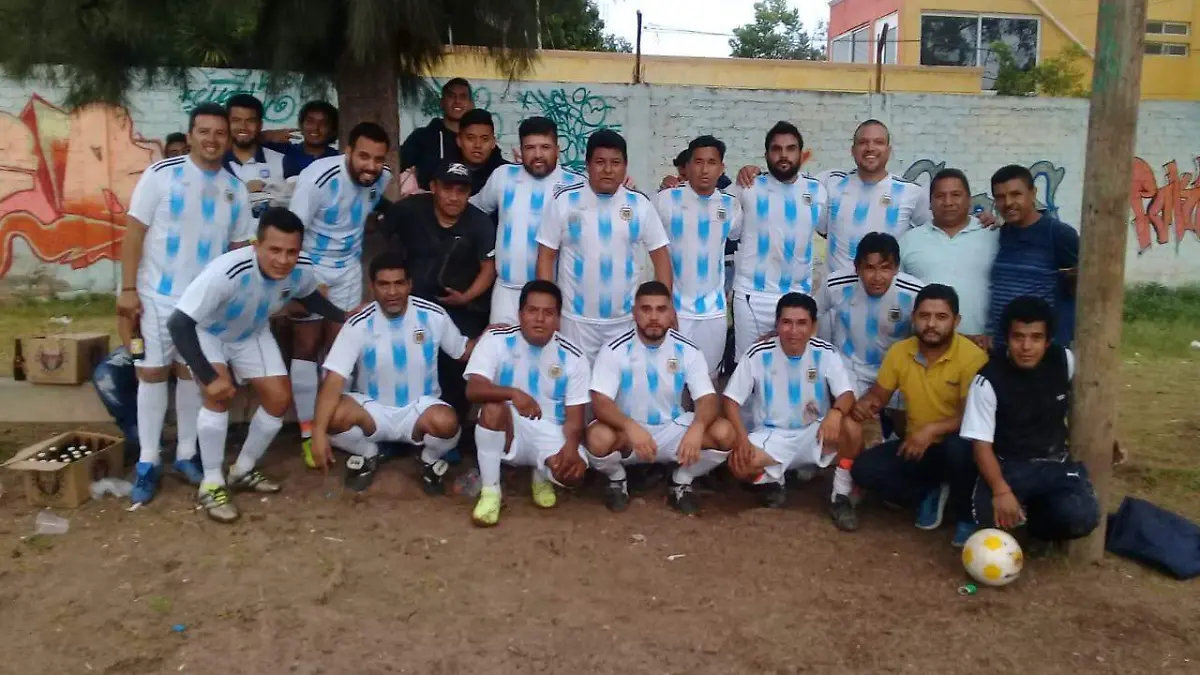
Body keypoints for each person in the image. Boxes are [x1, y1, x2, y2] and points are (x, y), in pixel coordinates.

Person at [166, 208, 348, 522]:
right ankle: (212, 482)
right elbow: (178, 324)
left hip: (251, 333)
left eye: (291, 251)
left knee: (279, 399)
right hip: (208, 333)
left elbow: (309, 297)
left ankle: (242, 469)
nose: (283, 260)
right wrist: (209, 377)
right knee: (218, 395)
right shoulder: (226, 272)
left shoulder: (302, 269)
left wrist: (343, 316)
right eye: (274, 250)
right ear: (256, 244)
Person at [118, 102, 255, 505]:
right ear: (191, 134)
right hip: (156, 295)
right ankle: (147, 461)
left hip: (203, 306)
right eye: (204, 131)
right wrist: (129, 290)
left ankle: (185, 454)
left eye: (220, 133)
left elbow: (237, 251)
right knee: (151, 374)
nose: (212, 139)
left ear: (227, 139)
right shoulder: (162, 175)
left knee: (191, 375)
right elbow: (134, 232)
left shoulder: (235, 189)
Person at [308, 252, 477, 493]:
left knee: (447, 423)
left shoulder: (433, 315)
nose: (392, 292)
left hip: (419, 409)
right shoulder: (358, 323)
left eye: (399, 283)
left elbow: (462, 351)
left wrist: (493, 337)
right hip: (372, 411)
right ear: (372, 286)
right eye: (384, 284)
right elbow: (334, 378)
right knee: (332, 416)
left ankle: (428, 460)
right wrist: (317, 432)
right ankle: (369, 453)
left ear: (410, 284)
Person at [847, 284, 988, 545]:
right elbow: (879, 395)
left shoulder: (973, 358)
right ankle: (932, 490)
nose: (931, 324)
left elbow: (972, 417)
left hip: (957, 443)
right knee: (864, 470)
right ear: (913, 318)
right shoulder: (900, 351)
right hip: (916, 446)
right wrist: (866, 404)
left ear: (956, 321)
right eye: (924, 316)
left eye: (941, 317)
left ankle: (966, 516)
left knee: (959, 449)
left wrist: (931, 430)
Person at [288, 122, 393, 467]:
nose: (371, 166)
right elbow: (292, 232)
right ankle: (307, 433)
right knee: (306, 347)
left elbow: (365, 216)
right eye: (363, 156)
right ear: (348, 151)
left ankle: (334, 425)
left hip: (347, 270)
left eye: (378, 159)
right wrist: (302, 279)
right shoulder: (317, 178)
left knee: (339, 352)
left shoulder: (382, 179)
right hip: (310, 268)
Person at [708, 293, 857, 528]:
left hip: (814, 432)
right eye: (787, 322)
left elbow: (847, 394)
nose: (793, 331)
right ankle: (774, 483)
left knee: (852, 430)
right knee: (739, 464)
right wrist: (742, 439)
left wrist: (836, 413)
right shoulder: (758, 353)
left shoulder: (826, 352)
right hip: (772, 435)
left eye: (802, 323)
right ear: (777, 324)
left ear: (813, 326)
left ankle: (840, 496)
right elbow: (730, 400)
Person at [961, 296, 1099, 547]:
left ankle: (1036, 527)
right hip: (1008, 466)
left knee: (1082, 517)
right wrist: (1001, 490)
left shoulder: (1064, 361)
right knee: (988, 523)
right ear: (1007, 339)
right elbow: (981, 446)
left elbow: (1087, 404)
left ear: (1047, 341)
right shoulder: (987, 380)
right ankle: (1010, 507)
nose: (1026, 347)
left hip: (1053, 463)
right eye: (1018, 337)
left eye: (1036, 338)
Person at [585, 282, 728, 515]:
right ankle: (617, 478)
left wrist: (698, 427)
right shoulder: (614, 350)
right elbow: (601, 402)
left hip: (672, 429)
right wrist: (630, 426)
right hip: (628, 435)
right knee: (597, 437)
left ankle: (681, 480)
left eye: (661, 309)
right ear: (634, 313)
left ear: (671, 313)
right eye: (646, 309)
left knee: (725, 433)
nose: (653, 317)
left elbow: (708, 398)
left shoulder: (688, 350)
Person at [536, 129, 672, 360]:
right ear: (588, 165)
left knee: (621, 382)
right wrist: (549, 309)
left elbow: (661, 259)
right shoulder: (564, 201)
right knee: (574, 381)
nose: (608, 170)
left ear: (625, 166)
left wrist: (663, 308)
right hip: (574, 321)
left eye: (615, 163)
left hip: (625, 322)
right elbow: (546, 257)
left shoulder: (639, 204)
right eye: (600, 162)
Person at [464, 280, 590, 527]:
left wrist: (570, 449)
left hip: (550, 431)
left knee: (572, 475)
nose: (540, 319)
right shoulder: (496, 340)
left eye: (548, 313)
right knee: (492, 407)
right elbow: (473, 389)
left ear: (558, 318)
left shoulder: (574, 356)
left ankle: (541, 475)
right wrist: (512, 393)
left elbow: (575, 419)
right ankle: (491, 493)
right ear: (520, 314)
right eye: (533, 311)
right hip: (510, 427)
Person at [382, 160, 497, 432]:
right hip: (414, 304)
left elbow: (489, 268)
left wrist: (466, 297)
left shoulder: (479, 222)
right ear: (433, 187)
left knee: (455, 369)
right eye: (447, 188)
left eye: (461, 190)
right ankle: (400, 427)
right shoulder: (408, 210)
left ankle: (451, 431)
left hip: (460, 306)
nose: (454, 197)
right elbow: (381, 241)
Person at [470, 116, 585, 325]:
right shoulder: (503, 176)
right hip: (507, 292)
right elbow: (474, 209)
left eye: (545, 147)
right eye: (530, 148)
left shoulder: (577, 185)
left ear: (557, 149)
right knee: (501, 345)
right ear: (520, 150)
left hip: (556, 294)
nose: (538, 154)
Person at [729, 122, 829, 360]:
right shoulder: (747, 186)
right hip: (752, 297)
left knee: (793, 365)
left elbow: (827, 230)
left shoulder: (817, 191)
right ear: (766, 155)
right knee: (750, 367)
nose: (784, 155)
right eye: (776, 149)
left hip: (798, 297)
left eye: (790, 148)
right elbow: (725, 226)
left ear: (801, 154)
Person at [817, 232, 924, 436]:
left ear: (896, 268)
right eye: (870, 268)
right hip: (852, 366)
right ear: (857, 267)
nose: (877, 277)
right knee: (847, 425)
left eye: (885, 268)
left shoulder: (914, 292)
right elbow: (811, 313)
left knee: (907, 429)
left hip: (896, 369)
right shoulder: (835, 284)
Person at [652, 135, 741, 376]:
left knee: (708, 378)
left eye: (711, 162)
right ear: (688, 166)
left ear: (721, 168)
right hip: (676, 309)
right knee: (672, 378)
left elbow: (738, 237)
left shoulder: (731, 206)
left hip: (714, 312)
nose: (704, 169)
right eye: (698, 162)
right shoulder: (665, 200)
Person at [900, 168, 998, 346]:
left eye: (956, 195)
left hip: (982, 346)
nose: (948, 202)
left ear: (969, 199)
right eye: (940, 196)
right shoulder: (909, 241)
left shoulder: (992, 234)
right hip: (925, 347)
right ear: (930, 202)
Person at [988, 164, 1079, 347]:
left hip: (1040, 350)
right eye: (1000, 197)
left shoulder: (1058, 234)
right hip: (1002, 348)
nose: (1008, 203)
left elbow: (1084, 285)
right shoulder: (1001, 234)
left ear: (1033, 193)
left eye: (1016, 194)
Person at [401, 78, 474, 190]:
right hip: (428, 199)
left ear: (471, 104)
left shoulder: (478, 141)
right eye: (451, 96)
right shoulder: (422, 137)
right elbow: (396, 166)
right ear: (442, 102)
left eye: (463, 96)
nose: (457, 101)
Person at [223, 94, 289, 217]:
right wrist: (245, 192)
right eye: (236, 120)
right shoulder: (215, 165)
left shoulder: (281, 161)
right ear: (226, 123)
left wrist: (268, 197)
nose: (243, 127)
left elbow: (295, 205)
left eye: (250, 121)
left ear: (260, 125)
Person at [455, 108, 507, 195]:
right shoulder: (444, 173)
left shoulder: (506, 174)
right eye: (470, 138)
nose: (478, 145)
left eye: (484, 139)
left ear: (493, 142)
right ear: (459, 140)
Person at [282, 100, 340, 179]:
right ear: (301, 125)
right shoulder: (290, 153)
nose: (315, 128)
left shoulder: (337, 159)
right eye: (310, 122)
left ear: (332, 130)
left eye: (323, 124)